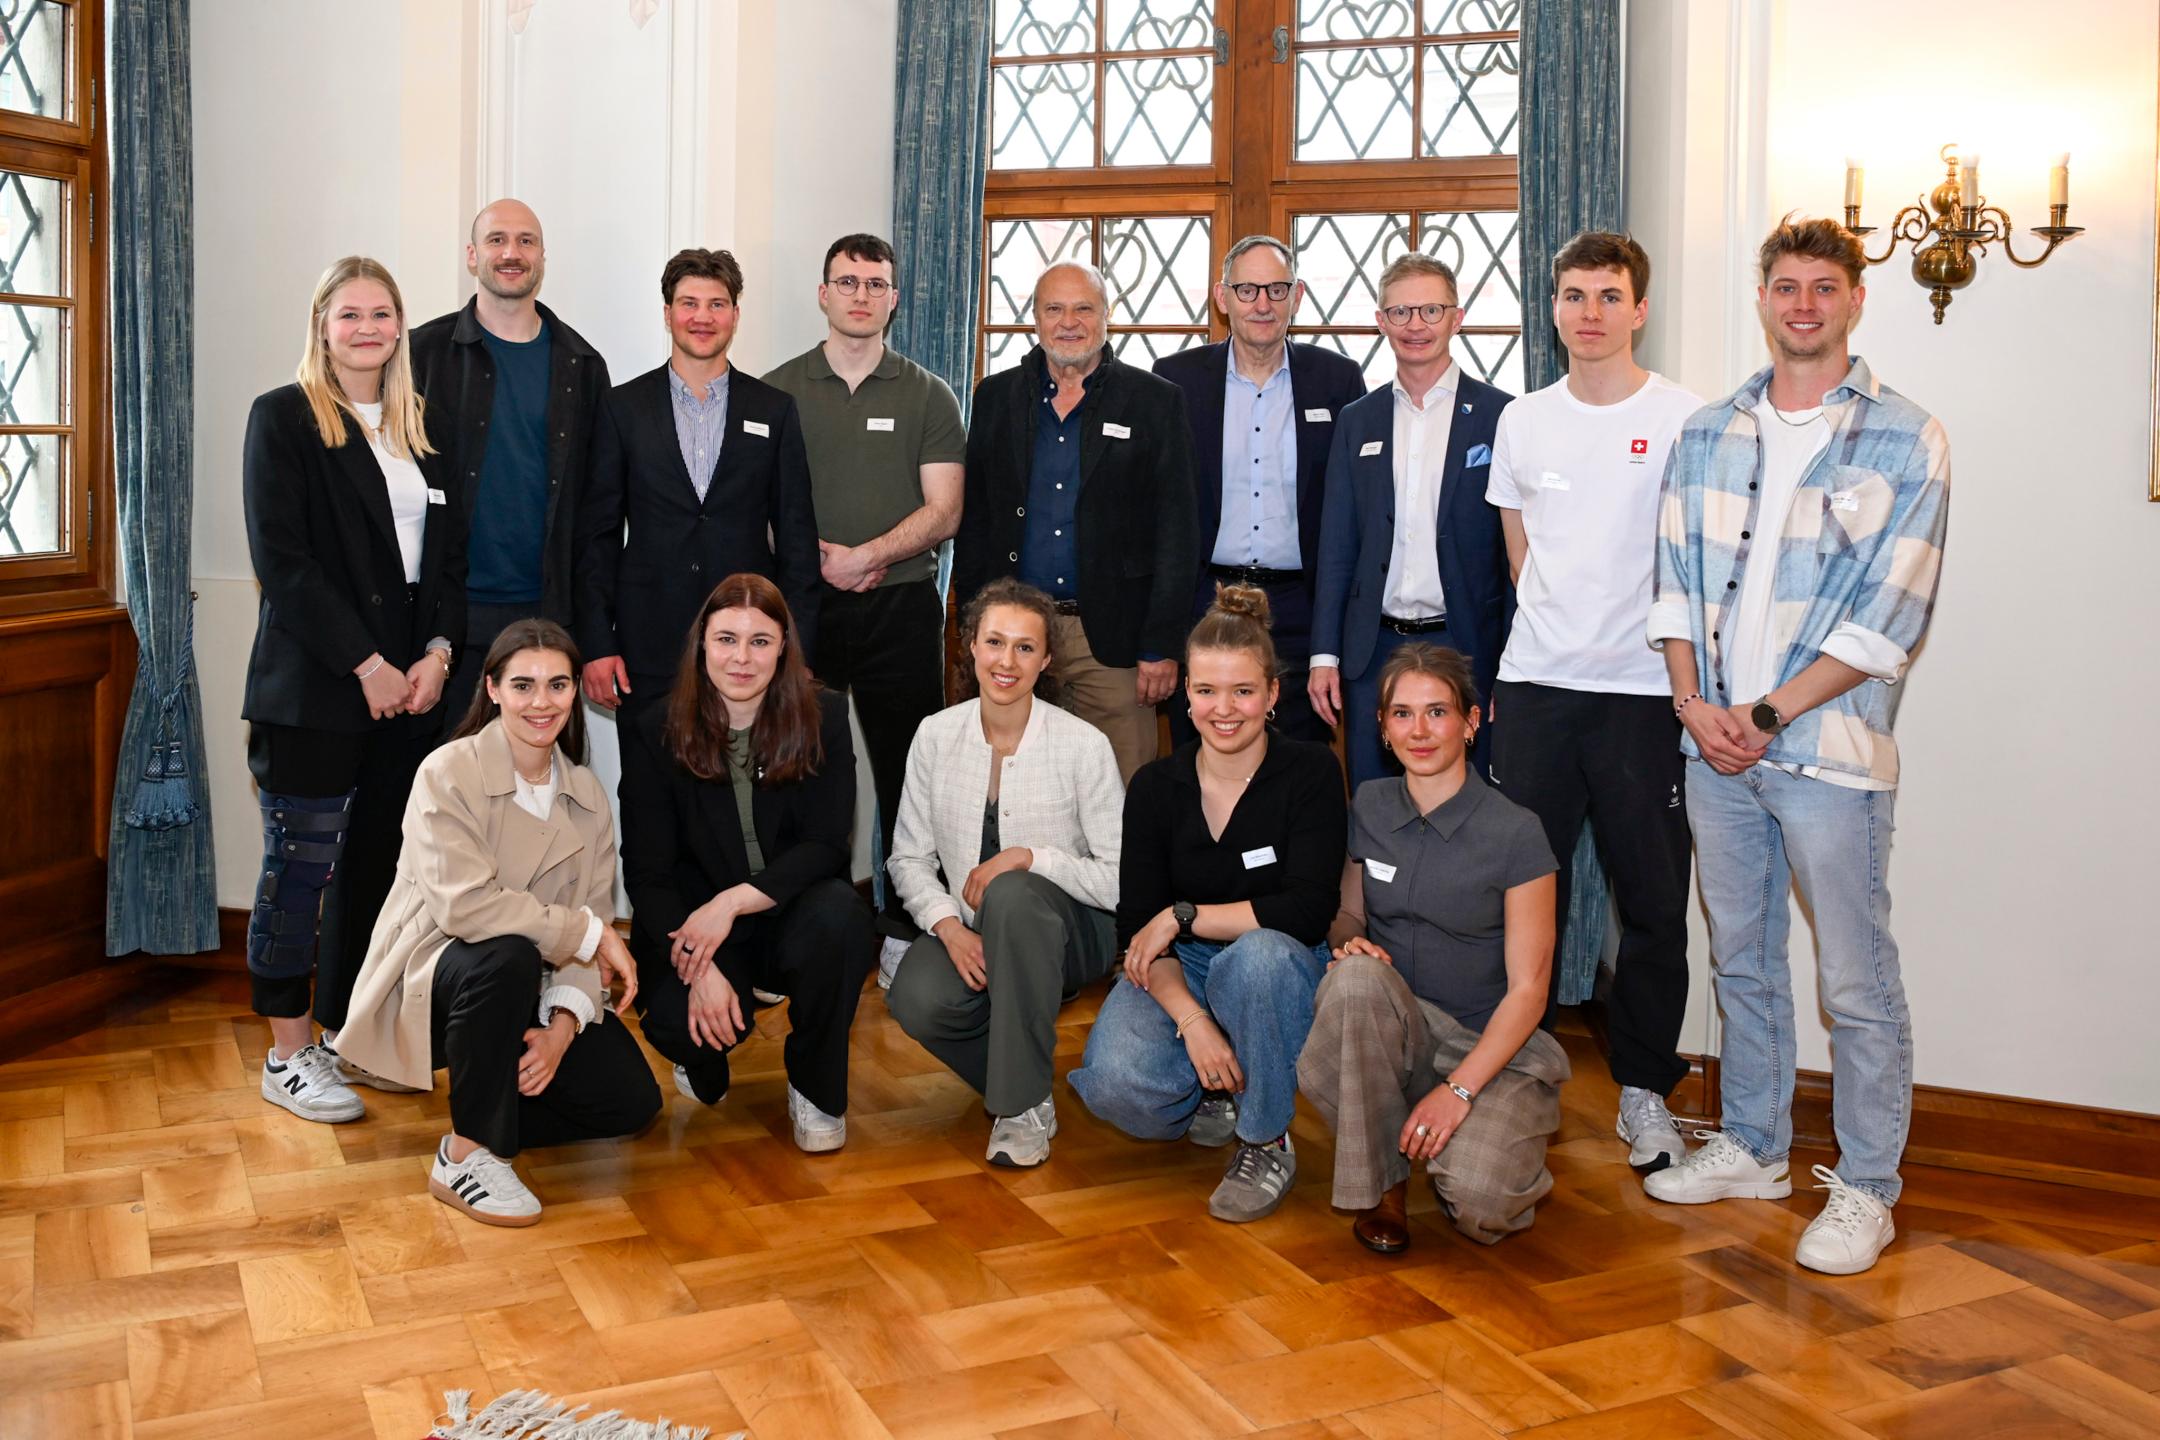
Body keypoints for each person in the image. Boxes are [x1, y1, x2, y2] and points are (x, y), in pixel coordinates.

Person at [1643, 216, 1950, 1276]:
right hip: (1711, 749)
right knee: (1740, 958)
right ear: (1764, 299)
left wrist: (1762, 715)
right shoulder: (1711, 429)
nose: (1804, 302)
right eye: (1786, 285)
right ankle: (1756, 1149)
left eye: (1825, 285)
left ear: (1855, 300)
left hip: (1827, 757)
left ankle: (1867, 1189)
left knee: (1855, 983)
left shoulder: (1908, 437)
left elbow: (1886, 621)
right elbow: (1675, 584)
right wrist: (1693, 705)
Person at [1483, 231, 1705, 1172]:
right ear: (1556, 308)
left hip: (1642, 696)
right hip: (1534, 690)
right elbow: (1518, 546)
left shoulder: (1689, 418)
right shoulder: (1524, 419)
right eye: (1573, 296)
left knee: (1652, 900)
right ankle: (1510, 1079)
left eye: (1608, 296)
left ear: (1639, 308)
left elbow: (1694, 559)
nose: (1589, 313)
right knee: (1523, 894)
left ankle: (1647, 1092)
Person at [240, 255, 465, 1122]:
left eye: (382, 314)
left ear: (400, 328)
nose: (367, 328)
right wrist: (364, 665)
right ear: (322, 326)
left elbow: (448, 560)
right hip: (317, 691)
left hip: (410, 695)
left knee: (380, 868)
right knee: (301, 868)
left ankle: (349, 1035)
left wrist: (438, 654)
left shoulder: (421, 424)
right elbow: (284, 567)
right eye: (350, 315)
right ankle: (287, 1054)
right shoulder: (284, 419)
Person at [336, 621, 656, 1226]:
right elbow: (468, 909)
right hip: (433, 980)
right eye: (524, 685)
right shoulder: (446, 771)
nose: (542, 702)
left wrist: (562, 1027)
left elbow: (589, 925)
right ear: (493, 688)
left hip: (528, 990)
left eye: (558, 685)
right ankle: (467, 1152)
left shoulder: (588, 794)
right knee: (505, 950)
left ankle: (487, 1105)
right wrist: (587, 934)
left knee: (631, 1102)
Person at [1068, 585, 1346, 1223]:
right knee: (1120, 1088)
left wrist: (1183, 915)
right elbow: (1141, 928)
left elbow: (1305, 911)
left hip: (1279, 960)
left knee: (1259, 962)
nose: (1225, 710)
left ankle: (1265, 1137)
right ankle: (1219, 1081)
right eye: (1206, 691)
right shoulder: (1155, 787)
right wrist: (1193, 1022)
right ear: (1184, 692)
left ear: (1274, 694)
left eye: (1243, 691)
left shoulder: (1310, 773)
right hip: (1180, 965)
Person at [1300, 644, 1567, 1252]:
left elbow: (1530, 990)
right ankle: (1383, 1185)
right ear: (1383, 728)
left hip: (1489, 1047)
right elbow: (1346, 915)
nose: (1419, 731)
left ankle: (1494, 1137)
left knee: (1482, 1203)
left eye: (1437, 712)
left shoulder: (1517, 832)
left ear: (1472, 723)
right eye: (1401, 714)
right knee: (1354, 982)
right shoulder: (1368, 804)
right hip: (1395, 1033)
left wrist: (1459, 1092)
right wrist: (1351, 944)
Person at [618, 572, 874, 1152]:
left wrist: (732, 903)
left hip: (789, 911)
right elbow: (648, 875)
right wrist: (698, 968)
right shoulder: (655, 729)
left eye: (760, 641)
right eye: (726, 639)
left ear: (784, 646)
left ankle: (815, 1089)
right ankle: (705, 1057)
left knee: (842, 919)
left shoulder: (825, 715)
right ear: (701, 643)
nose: (741, 658)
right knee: (679, 1019)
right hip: (697, 926)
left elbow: (829, 844)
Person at [764, 233, 967, 958]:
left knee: (910, 768)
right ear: (823, 295)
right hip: (801, 611)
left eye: (875, 284)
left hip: (899, 607)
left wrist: (868, 556)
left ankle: (908, 924)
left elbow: (945, 510)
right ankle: (788, 920)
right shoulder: (776, 389)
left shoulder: (927, 393)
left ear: (894, 300)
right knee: (792, 763)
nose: (860, 295)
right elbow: (756, 498)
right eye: (846, 282)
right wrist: (819, 562)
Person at [885, 578, 1124, 1169]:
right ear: (970, 647)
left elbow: (1121, 879)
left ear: (1046, 660)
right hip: (973, 932)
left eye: (1024, 647)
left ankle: (1016, 1111)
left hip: (1074, 934)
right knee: (915, 995)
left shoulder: (1083, 745)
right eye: (995, 642)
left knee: (1013, 892)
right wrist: (948, 927)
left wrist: (1031, 857)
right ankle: (1031, 1086)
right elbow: (908, 858)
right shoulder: (934, 737)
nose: (1007, 661)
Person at [954, 259, 1200, 782]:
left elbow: (1177, 533)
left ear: (1107, 317)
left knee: (1123, 788)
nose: (1069, 322)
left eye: (1083, 308)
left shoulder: (1154, 400)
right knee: (1015, 783)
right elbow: (976, 521)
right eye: (1054, 309)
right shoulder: (995, 397)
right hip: (1016, 635)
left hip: (1111, 639)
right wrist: (973, 627)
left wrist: (1161, 645)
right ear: (1035, 319)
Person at [576, 247, 821, 731]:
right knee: (649, 794)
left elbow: (796, 537)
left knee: (741, 793)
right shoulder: (622, 408)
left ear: (735, 314)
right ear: (668, 314)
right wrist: (598, 645)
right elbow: (597, 536)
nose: (702, 317)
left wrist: (800, 649)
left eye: (717, 304)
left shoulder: (774, 410)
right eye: (689, 303)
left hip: (749, 650)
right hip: (648, 641)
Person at [1154, 235, 1367, 749]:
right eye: (1247, 290)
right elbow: (1155, 512)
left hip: (1299, 606)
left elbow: (1355, 506)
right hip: (1204, 601)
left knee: (1297, 760)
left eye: (1277, 289)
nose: (1262, 304)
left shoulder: (1337, 380)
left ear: (1297, 297)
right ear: (1222, 298)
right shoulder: (1174, 380)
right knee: (1202, 752)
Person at [1310, 253, 1513, 787]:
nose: (1415, 325)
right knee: (1376, 805)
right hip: (1371, 650)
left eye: (1430, 310)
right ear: (1381, 322)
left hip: (1465, 644)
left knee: (1466, 803)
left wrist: (1511, 671)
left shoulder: (1502, 417)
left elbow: (1517, 558)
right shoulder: (1358, 421)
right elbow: (1337, 547)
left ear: (1456, 317)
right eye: (1400, 312)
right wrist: (1323, 656)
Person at [410, 199, 612, 727]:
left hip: (547, 621)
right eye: (497, 240)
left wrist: (594, 632)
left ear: (543, 257)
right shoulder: (419, 356)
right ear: (472, 255)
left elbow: (598, 516)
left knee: (537, 795)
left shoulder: (583, 365)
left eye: (526, 241)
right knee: (444, 791)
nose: (512, 253)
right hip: (442, 624)